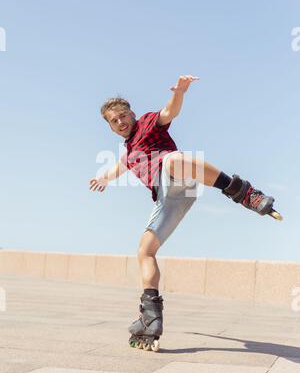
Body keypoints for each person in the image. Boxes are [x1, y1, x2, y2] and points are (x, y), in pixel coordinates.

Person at [89, 75, 279, 352]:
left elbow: (170, 111)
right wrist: (103, 179)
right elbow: (116, 169)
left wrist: (179, 93)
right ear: (110, 127)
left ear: (132, 113)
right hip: (169, 199)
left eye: (123, 116)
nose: (121, 122)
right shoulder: (128, 153)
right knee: (145, 251)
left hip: (176, 175)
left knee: (175, 159)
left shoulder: (148, 123)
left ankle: (244, 193)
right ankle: (149, 315)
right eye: (114, 121)